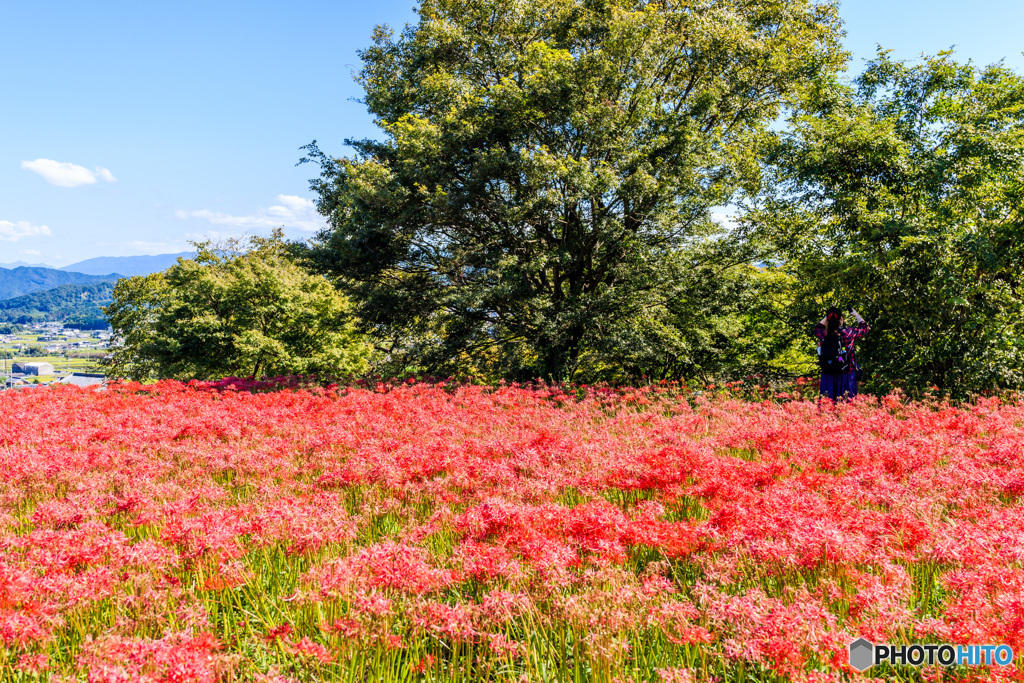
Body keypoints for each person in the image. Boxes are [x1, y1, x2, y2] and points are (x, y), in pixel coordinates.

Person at [814, 306, 869, 400]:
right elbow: (865, 328)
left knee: (827, 406)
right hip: (846, 373)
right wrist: (856, 314)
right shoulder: (848, 332)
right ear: (841, 319)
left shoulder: (823, 333)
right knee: (846, 405)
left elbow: (818, 327)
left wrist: (827, 316)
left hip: (828, 373)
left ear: (827, 320)